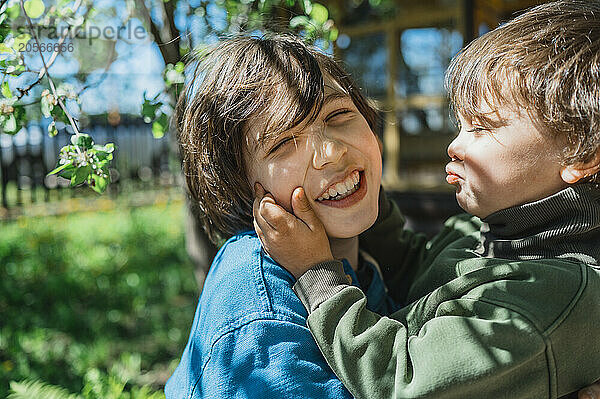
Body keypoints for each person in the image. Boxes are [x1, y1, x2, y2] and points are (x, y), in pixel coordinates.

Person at [253, 1, 600, 398]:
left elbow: (404, 382)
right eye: (460, 125)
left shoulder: (549, 296)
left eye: (482, 127)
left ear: (580, 154)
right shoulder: (482, 230)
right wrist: (358, 189)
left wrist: (316, 272)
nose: (455, 145)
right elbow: (414, 270)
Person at [165, 33, 399, 398]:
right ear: (241, 185)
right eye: (284, 143)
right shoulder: (257, 308)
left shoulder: (369, 260)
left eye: (339, 115)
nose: (332, 152)